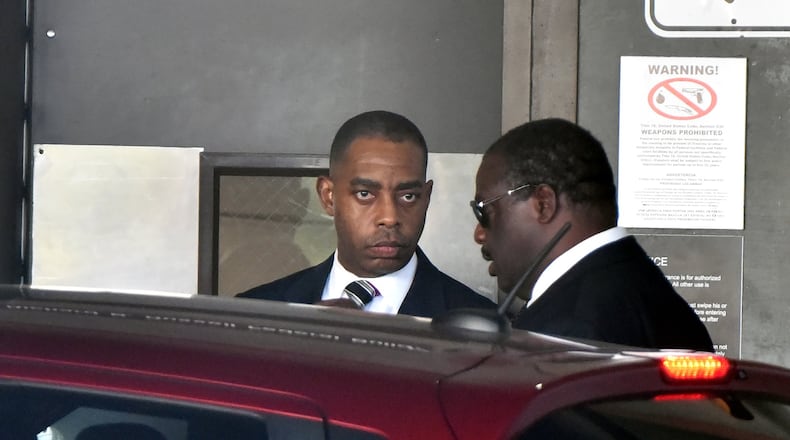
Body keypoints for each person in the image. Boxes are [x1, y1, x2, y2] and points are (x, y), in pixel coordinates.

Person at [471, 117, 713, 351]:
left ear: (543, 204)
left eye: (484, 211)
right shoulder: (656, 299)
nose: (479, 234)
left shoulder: (566, 331)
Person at [238, 110, 495, 317]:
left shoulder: (482, 328)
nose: (390, 217)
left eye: (408, 196)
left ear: (426, 199)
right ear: (328, 196)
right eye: (365, 194)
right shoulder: (257, 313)